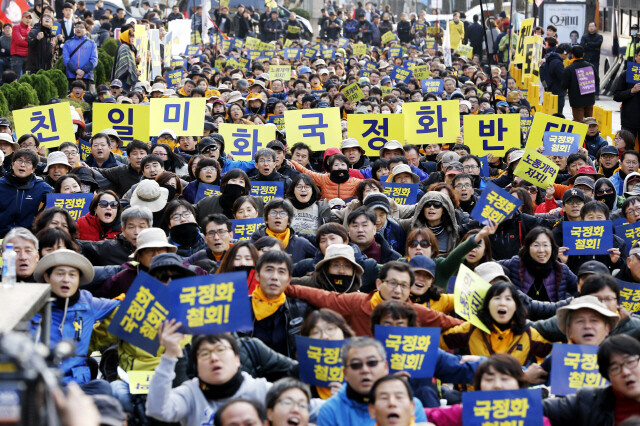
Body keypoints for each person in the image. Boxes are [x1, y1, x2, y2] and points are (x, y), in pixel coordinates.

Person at [286, 261, 463, 336]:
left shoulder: (418, 313)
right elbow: (321, 296)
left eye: (403, 286)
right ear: (379, 284)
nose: (397, 290)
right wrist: (284, 288)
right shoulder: (356, 302)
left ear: (410, 290)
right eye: (392, 283)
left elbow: (455, 326)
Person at [31, 249, 118, 390]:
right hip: (42, 383)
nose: (66, 279)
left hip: (77, 384)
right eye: (60, 274)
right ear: (47, 277)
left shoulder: (88, 302)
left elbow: (122, 308)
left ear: (79, 280)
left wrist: (95, 338)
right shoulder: (32, 305)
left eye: (72, 275)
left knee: (103, 388)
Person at [146, 330, 273, 425]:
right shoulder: (190, 393)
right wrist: (169, 355)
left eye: (220, 349)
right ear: (197, 366)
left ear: (237, 359)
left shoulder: (262, 390)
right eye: (205, 354)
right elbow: (157, 410)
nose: (214, 358)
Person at [316, 337, 428, 426]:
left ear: (385, 367)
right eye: (356, 365)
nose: (365, 370)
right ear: (345, 373)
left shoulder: (410, 404)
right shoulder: (330, 411)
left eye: (372, 363)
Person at [441, 281, 552, 365]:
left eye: (508, 299)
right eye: (497, 298)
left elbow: (557, 354)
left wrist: (529, 373)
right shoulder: (471, 329)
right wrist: (460, 365)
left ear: (516, 306)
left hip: (513, 395)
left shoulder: (528, 333)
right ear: (487, 304)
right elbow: (436, 343)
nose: (502, 303)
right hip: (477, 394)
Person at [426, 354, 552, 425]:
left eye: (505, 379)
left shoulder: (537, 420)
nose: (497, 385)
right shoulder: (465, 412)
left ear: (520, 384)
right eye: (489, 379)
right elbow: (426, 415)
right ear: (479, 385)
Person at [543, 334, 640, 425]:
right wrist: (527, 378)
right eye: (615, 368)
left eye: (630, 362)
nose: (625, 372)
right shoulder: (588, 402)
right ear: (607, 377)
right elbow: (534, 407)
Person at [241, 250, 312, 357]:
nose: (274, 277)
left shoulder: (301, 310)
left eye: (281, 272)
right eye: (269, 270)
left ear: (289, 280)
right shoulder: (240, 308)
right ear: (257, 275)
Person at [499, 227, 577, 302]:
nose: (541, 250)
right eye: (536, 245)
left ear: (552, 247)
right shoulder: (516, 264)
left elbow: (582, 287)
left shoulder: (561, 269)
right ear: (527, 247)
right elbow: (490, 266)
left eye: (545, 245)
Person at [0, 149, 52, 238]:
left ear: (33, 169)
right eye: (20, 160)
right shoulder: (1, 184)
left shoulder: (41, 187)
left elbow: (59, 199)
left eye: (28, 162)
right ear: (13, 164)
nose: (23, 165)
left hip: (28, 237)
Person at [250, 198, 317, 263]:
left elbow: (318, 262)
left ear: (288, 221)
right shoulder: (255, 242)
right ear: (266, 220)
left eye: (282, 213)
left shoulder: (301, 243)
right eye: (273, 213)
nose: (278, 216)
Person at [79, 206, 151, 266]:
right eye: (131, 227)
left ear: (150, 228)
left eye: (141, 227)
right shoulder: (109, 248)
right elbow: (76, 244)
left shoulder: (158, 250)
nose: (137, 232)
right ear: (123, 229)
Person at [562, 45, 598, 122]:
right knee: (589, 122)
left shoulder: (569, 69)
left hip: (576, 100)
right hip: (589, 99)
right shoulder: (591, 66)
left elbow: (564, 85)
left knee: (578, 123)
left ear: (573, 55)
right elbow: (597, 82)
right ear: (583, 54)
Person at [613, 49, 640, 144]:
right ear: (636, 56)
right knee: (627, 147)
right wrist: (632, 91)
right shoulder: (626, 74)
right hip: (629, 120)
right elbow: (616, 96)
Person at [62, 21, 97, 86]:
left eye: (81, 27)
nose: (78, 29)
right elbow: (66, 59)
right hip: (71, 76)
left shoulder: (92, 43)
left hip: (86, 76)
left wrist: (83, 71)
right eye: (77, 27)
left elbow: (94, 60)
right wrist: (76, 70)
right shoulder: (68, 43)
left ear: (86, 30)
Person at [581, 22, 603, 96]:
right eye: (589, 26)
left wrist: (588, 44)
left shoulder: (599, 36)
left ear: (595, 27)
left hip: (595, 59)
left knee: (595, 76)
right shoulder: (584, 36)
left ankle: (596, 93)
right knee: (586, 77)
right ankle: (586, 93)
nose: (591, 28)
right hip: (586, 59)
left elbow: (598, 44)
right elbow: (582, 46)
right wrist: (593, 46)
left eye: (592, 26)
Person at [10, 12, 31, 78]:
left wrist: (24, 39)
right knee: (16, 78)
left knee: (26, 78)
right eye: (26, 18)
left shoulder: (31, 29)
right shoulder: (16, 27)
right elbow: (19, 41)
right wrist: (30, 44)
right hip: (17, 57)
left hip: (28, 57)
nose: (28, 20)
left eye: (30, 18)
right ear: (22, 18)